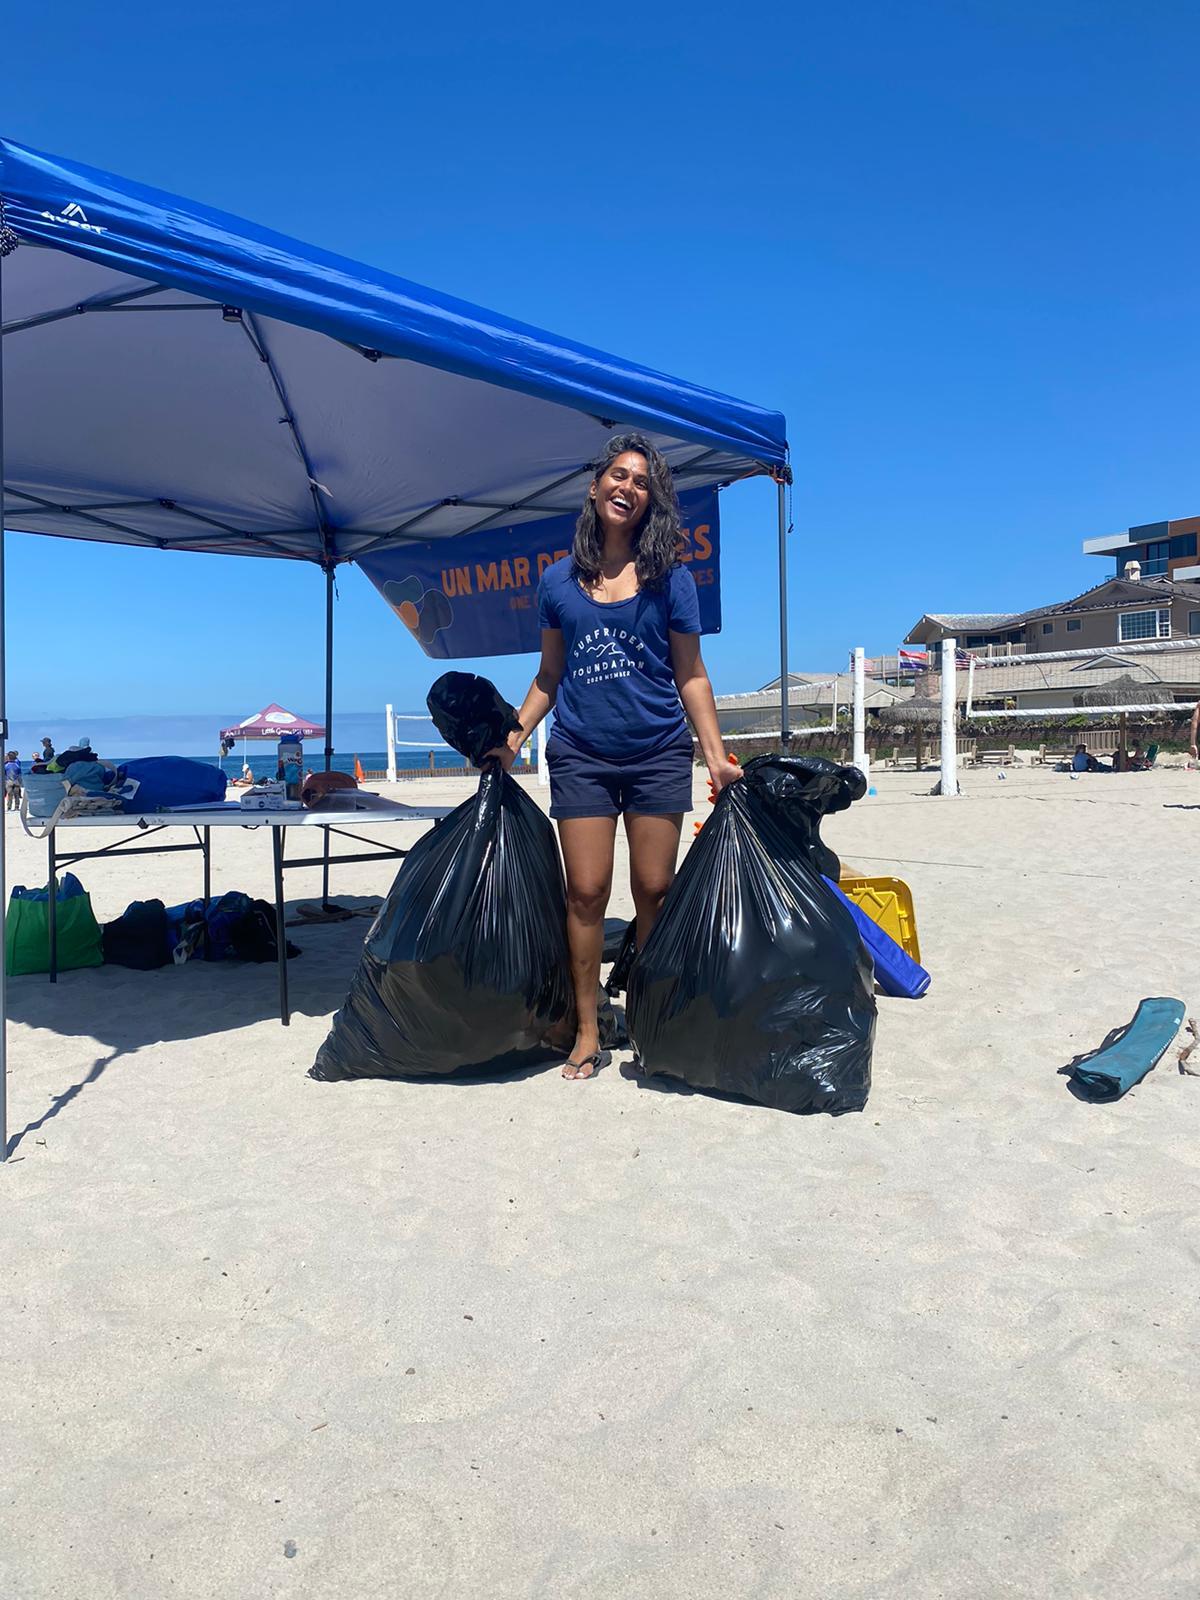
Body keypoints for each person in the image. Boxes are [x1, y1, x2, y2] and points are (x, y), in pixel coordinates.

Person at [487, 432, 740, 1081]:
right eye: (618, 476)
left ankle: (651, 1021)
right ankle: (588, 1029)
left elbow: (691, 674)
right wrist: (513, 737)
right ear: (596, 486)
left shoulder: (671, 580)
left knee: (654, 890)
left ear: (651, 501)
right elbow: (549, 675)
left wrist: (714, 756)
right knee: (585, 893)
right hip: (581, 756)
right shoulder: (557, 582)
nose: (627, 487)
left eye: (641, 481)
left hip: (656, 751)